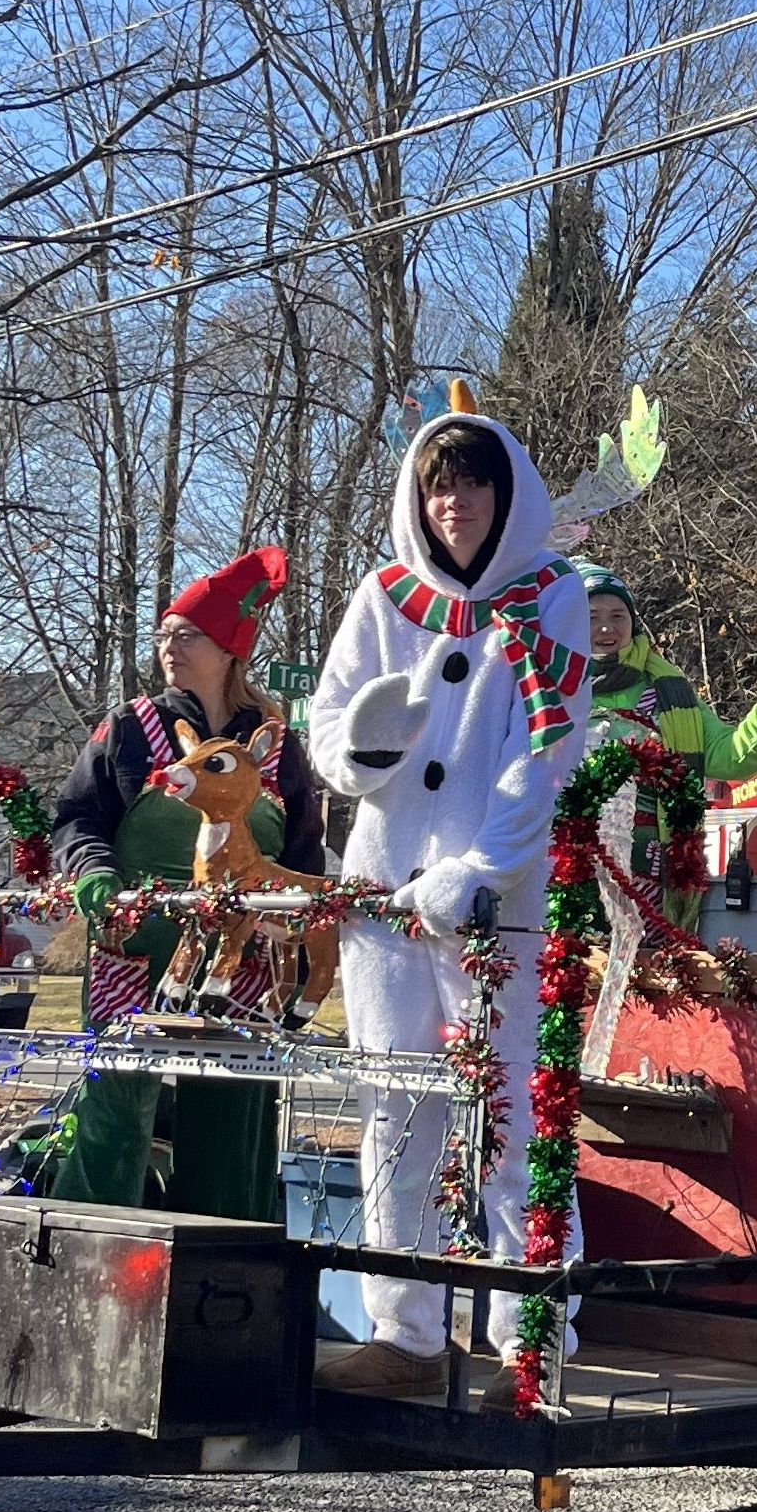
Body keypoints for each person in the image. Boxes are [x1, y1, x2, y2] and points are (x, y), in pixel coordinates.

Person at [305, 389, 592, 1400]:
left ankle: (532, 1330)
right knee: (395, 1110)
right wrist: (362, 748)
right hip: (385, 894)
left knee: (513, 1110)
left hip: (495, 904)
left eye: (472, 484)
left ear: (506, 494)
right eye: (437, 488)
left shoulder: (551, 593)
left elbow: (547, 752)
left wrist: (478, 868)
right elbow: (328, 726)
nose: (453, 504)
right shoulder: (383, 595)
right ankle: (406, 1332)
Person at [49, 547, 324, 1218]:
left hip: (244, 951)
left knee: (235, 1106)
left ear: (230, 650)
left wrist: (298, 937)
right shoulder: (130, 729)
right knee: (115, 1101)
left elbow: (303, 852)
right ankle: (92, 1237)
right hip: (135, 944)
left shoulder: (276, 745)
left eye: (187, 635)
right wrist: (95, 873)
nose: (169, 647)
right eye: (163, 634)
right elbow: (77, 817)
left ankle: (227, 1252)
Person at [576, 558, 757, 926]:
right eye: (592, 616)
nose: (606, 627)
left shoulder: (667, 690)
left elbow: (732, 757)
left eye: (618, 615)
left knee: (650, 963)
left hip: (653, 881)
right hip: (565, 871)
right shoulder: (544, 690)